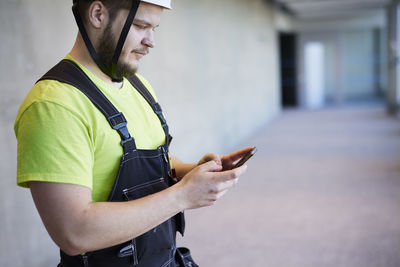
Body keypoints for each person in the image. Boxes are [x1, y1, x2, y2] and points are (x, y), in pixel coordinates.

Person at [14, 0, 251, 266]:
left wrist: (192, 171)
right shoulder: (54, 105)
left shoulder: (138, 86)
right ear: (98, 14)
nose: (151, 41)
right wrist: (182, 195)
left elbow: (151, 161)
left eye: (154, 28)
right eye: (140, 26)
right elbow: (73, 232)